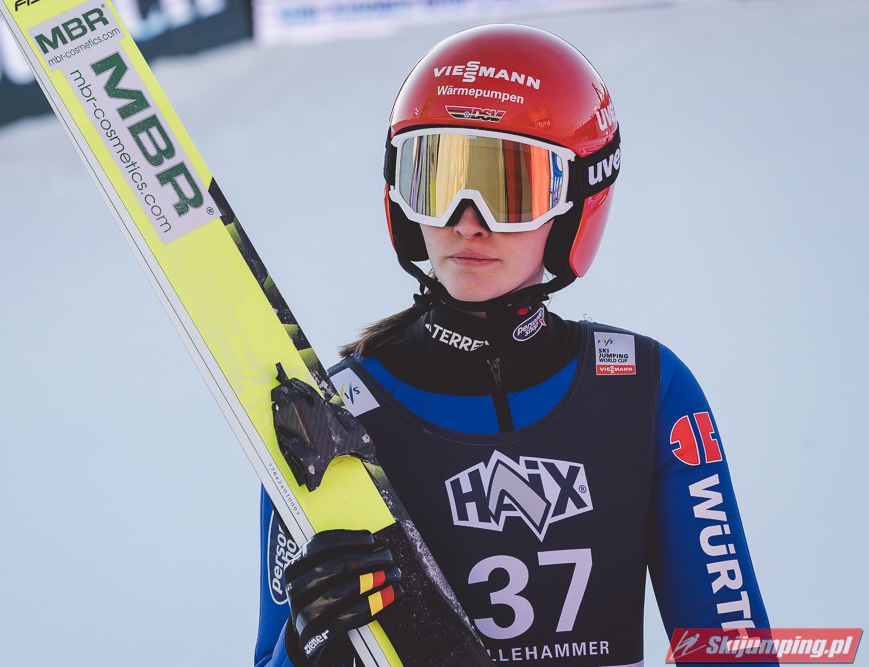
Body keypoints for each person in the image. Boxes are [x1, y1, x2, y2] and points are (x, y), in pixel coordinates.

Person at [254, 24, 773, 667]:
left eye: (511, 190)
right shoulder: (328, 420)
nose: (467, 221)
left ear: (574, 204)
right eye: (436, 180)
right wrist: (308, 645)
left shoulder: (646, 391)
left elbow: (733, 648)